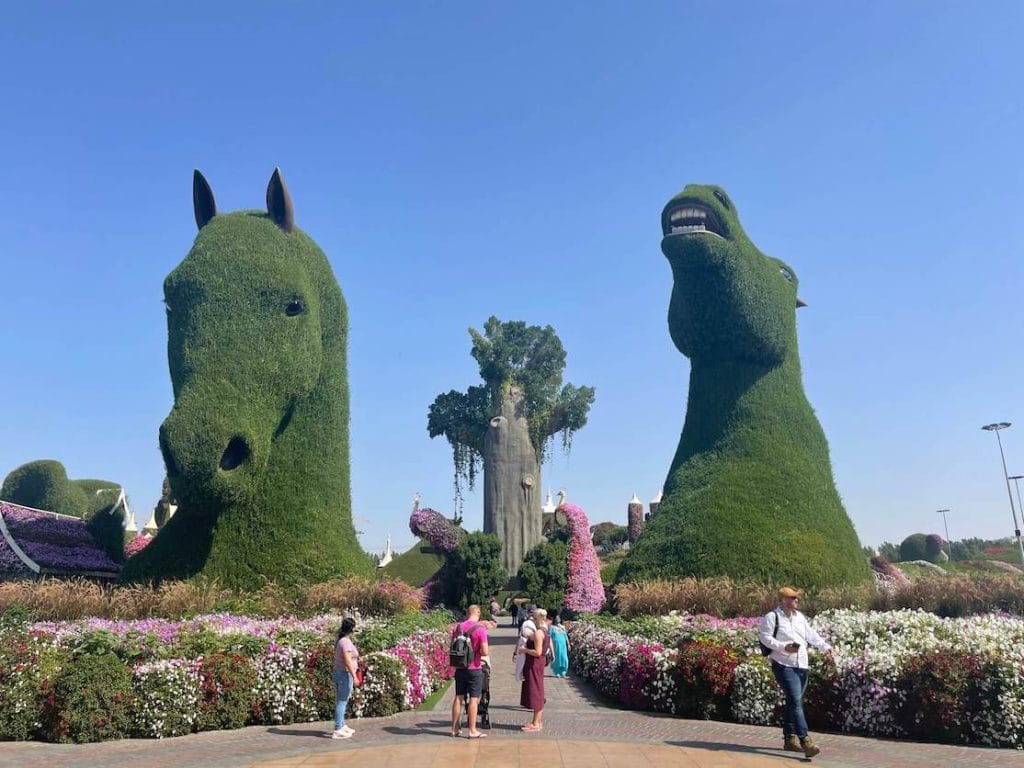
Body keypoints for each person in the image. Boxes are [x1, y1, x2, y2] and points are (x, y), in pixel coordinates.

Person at [759, 587, 833, 759]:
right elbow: (765, 637)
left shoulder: (800, 618)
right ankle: (805, 740)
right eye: (793, 598)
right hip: (784, 664)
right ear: (783, 600)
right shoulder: (772, 617)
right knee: (795, 700)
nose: (796, 601)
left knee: (795, 701)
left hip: (802, 664)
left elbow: (811, 635)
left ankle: (789, 738)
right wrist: (783, 647)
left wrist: (825, 647)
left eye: (796, 598)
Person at [450, 604, 490, 739]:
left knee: (458, 697)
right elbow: (485, 651)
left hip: (460, 667)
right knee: (474, 699)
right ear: (478, 613)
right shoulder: (480, 629)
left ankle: (454, 728)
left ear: (468, 613)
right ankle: (472, 730)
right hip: (474, 668)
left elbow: (453, 645)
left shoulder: (458, 627)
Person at [518, 608, 549, 731]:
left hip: (534, 664)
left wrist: (524, 650)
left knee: (536, 691)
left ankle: (536, 723)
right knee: (538, 689)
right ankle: (536, 721)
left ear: (536, 619)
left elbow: (538, 652)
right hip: (538, 664)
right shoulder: (545, 631)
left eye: (533, 618)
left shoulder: (538, 633)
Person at [329, 617, 359, 739]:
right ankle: (338, 728)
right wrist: (354, 675)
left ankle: (341, 724)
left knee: (341, 700)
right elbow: (347, 660)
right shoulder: (345, 642)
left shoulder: (340, 639)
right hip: (344, 674)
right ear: (352, 628)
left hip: (339, 672)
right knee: (342, 701)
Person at [513, 604, 538, 683]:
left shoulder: (527, 623)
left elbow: (521, 638)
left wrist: (515, 652)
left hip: (528, 650)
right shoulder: (537, 623)